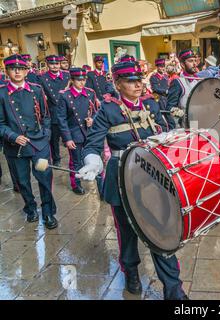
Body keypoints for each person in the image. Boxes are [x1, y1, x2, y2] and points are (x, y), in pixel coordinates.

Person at [76, 60, 188, 299]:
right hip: (120, 178)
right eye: (130, 81)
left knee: (162, 231)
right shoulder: (107, 109)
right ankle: (132, 275)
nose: (138, 85)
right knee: (126, 233)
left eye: (140, 79)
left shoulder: (150, 103)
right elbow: (93, 143)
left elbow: (162, 133)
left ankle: (173, 289)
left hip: (151, 176)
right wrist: (93, 161)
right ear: (117, 83)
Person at [0, 54, 57, 228]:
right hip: (15, 148)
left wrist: (45, 134)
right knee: (22, 181)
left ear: (26, 71)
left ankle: (48, 212)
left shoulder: (36, 89)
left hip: (38, 145)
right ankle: (30, 208)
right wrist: (12, 136)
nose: (17, 72)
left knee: (44, 178)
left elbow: (46, 116)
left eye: (21, 68)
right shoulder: (1, 93)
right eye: (12, 68)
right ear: (7, 71)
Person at [57, 68, 103, 196]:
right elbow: (61, 119)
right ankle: (76, 184)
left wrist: (92, 119)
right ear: (72, 80)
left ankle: (100, 183)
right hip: (74, 133)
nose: (82, 82)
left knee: (95, 158)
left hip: (89, 133)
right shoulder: (65, 95)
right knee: (75, 161)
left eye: (84, 79)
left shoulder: (90, 93)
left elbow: (95, 111)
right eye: (78, 80)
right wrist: (67, 138)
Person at [37, 55, 70, 167]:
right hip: (53, 111)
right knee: (54, 138)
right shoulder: (42, 77)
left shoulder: (67, 75)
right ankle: (56, 158)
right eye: (52, 64)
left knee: (71, 136)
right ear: (47, 64)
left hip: (67, 110)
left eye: (57, 63)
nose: (55, 66)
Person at [166, 49, 200, 129]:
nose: (195, 64)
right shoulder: (177, 82)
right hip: (186, 128)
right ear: (182, 65)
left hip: (201, 125)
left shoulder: (199, 80)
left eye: (195, 60)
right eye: (191, 61)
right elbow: (169, 108)